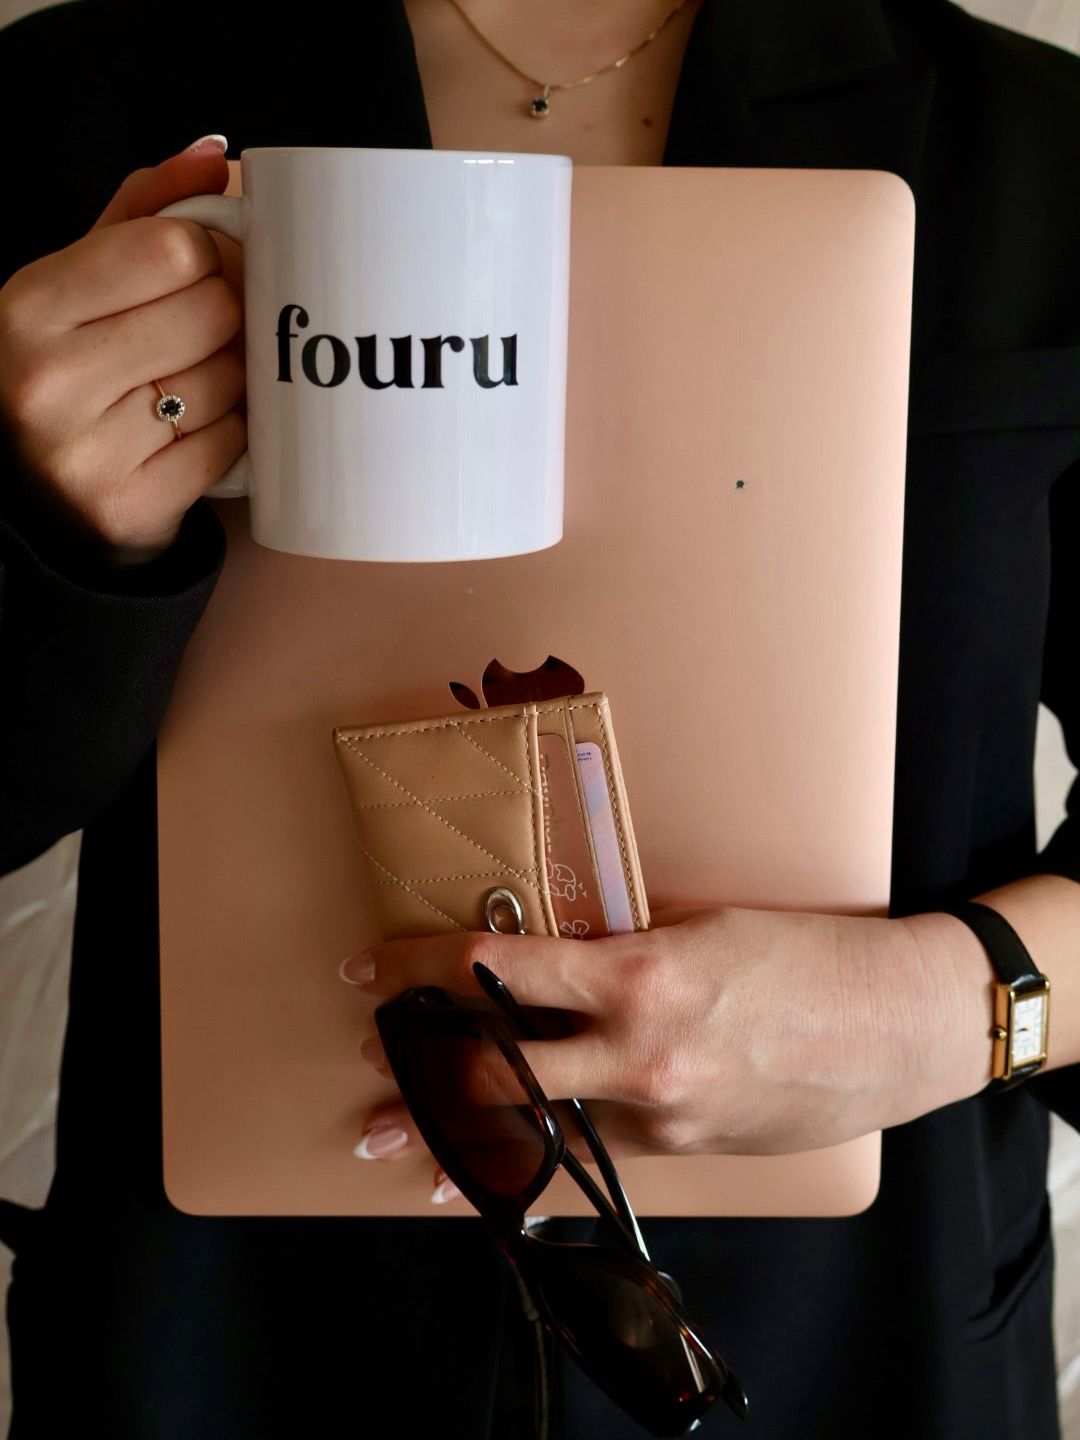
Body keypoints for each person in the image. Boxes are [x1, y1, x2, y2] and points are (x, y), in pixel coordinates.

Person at [1, 0, 1079, 1436]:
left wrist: (949, 1009)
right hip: (225, 1341)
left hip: (865, 1338)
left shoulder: (1038, 147)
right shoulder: (61, 110)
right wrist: (51, 538)